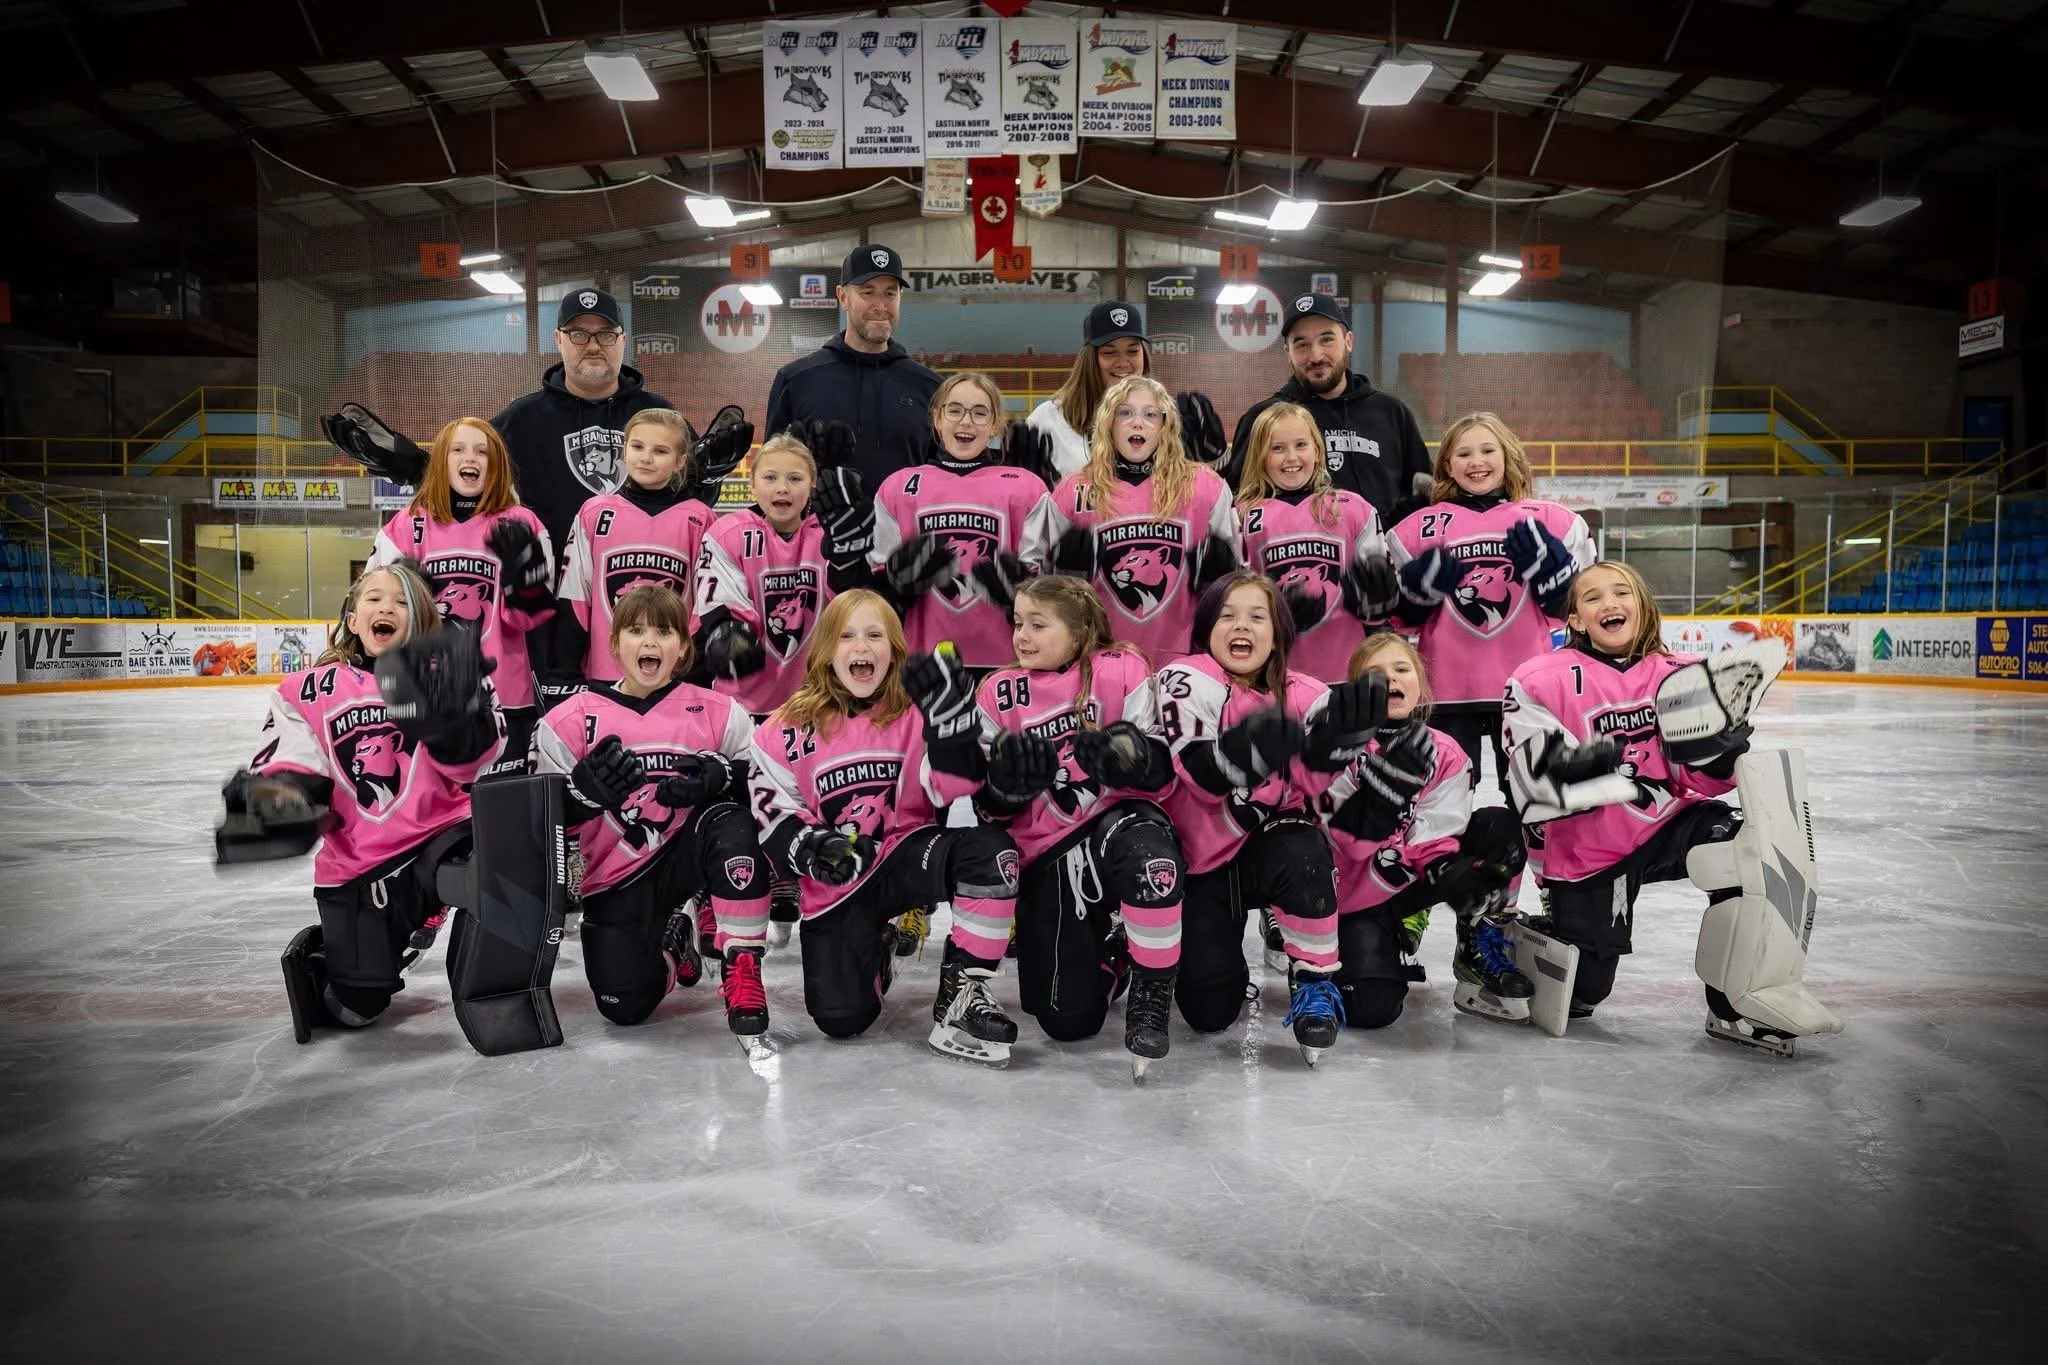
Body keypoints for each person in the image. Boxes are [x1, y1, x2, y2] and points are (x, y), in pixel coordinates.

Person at [223, 560, 504, 1037]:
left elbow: (476, 765)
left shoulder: (446, 674)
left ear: (421, 622)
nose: (387, 607)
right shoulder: (307, 690)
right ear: (353, 619)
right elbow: (294, 764)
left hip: (441, 837)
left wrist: (457, 722)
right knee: (356, 1009)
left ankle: (453, 933)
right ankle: (328, 957)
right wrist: (278, 798)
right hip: (358, 866)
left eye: (402, 603)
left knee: (489, 865)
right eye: (374, 599)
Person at [748, 591, 1025, 1066]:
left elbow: (953, 786)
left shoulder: (918, 710)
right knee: (841, 1018)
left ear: (895, 648)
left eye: (875, 635)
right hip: (836, 886)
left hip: (904, 856)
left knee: (989, 851)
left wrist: (950, 730)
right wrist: (812, 846)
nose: (861, 647)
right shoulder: (784, 726)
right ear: (825, 651)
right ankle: (875, 949)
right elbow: (771, 812)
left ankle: (965, 989)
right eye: (847, 636)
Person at [318, 287, 752, 567]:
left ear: (623, 340)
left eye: (605, 333)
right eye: (579, 334)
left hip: (644, 589)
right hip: (543, 597)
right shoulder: (519, 419)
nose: (593, 344)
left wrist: (706, 476)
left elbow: (693, 503)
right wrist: (411, 467)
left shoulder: (661, 416)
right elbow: (465, 487)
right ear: (559, 341)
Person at [1501, 562, 1748, 1026]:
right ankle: (1535, 932)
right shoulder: (1537, 679)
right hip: (1590, 846)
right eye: (1592, 598)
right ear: (1574, 619)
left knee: (1742, 847)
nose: (1609, 603)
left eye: (1622, 593)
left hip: (1670, 824)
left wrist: (1715, 759)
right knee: (1584, 996)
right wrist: (1593, 770)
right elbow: (1540, 785)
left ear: (1641, 606)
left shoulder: (1684, 674)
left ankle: (1736, 997)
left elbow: (1701, 781)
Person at [531, 585, 772, 1050]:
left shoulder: (719, 710)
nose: (650, 642)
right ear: (614, 643)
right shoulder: (569, 720)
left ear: (683, 647)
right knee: (623, 1006)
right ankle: (674, 942)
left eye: (664, 632)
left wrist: (722, 774)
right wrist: (583, 794)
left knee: (730, 821)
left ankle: (742, 962)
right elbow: (539, 819)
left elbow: (767, 785)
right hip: (617, 875)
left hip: (690, 856)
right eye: (636, 630)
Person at [973, 575, 1182, 1078]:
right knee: (1066, 1020)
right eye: (1018, 623)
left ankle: (1152, 997)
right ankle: (1117, 958)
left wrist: (1128, 756)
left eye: (1038, 625)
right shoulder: (998, 691)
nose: (1021, 636)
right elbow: (988, 812)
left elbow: (1162, 772)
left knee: (1151, 857)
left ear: (1080, 630)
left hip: (1117, 825)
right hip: (1046, 850)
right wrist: (1005, 786)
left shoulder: (1123, 667)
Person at [1154, 571, 1366, 1067]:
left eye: (1256, 616)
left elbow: (1331, 799)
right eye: (1226, 616)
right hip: (1202, 858)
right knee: (1208, 1012)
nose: (1239, 626)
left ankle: (1313, 978)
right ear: (1205, 629)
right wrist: (1250, 752)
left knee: (1303, 844)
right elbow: (1202, 777)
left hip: (1270, 847)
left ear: (1279, 632)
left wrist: (1339, 751)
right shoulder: (1185, 678)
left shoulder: (1310, 693)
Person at [1310, 632, 1529, 1031]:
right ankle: (1328, 946)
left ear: (1421, 684)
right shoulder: (1336, 746)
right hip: (1353, 893)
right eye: (1374, 673)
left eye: (1401, 669)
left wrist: (1449, 873)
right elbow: (1339, 836)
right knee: (1372, 1010)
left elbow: (1436, 831)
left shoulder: (1444, 751)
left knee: (1499, 824)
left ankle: (1478, 941)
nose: (1391, 679)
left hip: (1406, 880)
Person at [1384, 411, 1593, 810]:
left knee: (1535, 803)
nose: (1475, 461)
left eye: (1486, 450)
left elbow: (1574, 610)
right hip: (1444, 689)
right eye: (1463, 453)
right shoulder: (1418, 527)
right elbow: (1397, 619)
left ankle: (1534, 873)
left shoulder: (1549, 519)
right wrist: (1414, 593)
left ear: (1507, 455)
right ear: (1447, 464)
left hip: (1525, 688)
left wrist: (1555, 579)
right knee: (1442, 800)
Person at [366, 417, 553, 767]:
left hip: (506, 697)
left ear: (495, 465)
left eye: (482, 451)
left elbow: (533, 616)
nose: (471, 458)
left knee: (500, 814)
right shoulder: (408, 523)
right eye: (458, 449)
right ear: (441, 461)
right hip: (425, 696)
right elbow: (374, 607)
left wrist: (524, 582)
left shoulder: (522, 522)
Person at [1043, 374, 1240, 667]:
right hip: (1097, 663)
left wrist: (1218, 584)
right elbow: (1043, 592)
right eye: (1125, 412)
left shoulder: (1205, 487)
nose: (1138, 422)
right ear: (1108, 422)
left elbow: (1238, 581)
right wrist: (1064, 580)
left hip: (1187, 663)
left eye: (1150, 414)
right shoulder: (1071, 492)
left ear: (1166, 425)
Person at [869, 371, 1054, 667]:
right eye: (954, 410)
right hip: (921, 664)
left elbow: (1047, 580)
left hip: (1007, 662)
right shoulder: (899, 487)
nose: (965, 421)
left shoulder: (1026, 487)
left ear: (995, 425)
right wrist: (895, 586)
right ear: (937, 419)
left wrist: (1023, 589)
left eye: (980, 413)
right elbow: (877, 587)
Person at [1222, 293, 1432, 523]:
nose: (1315, 355)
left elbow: (1427, 491)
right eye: (1301, 344)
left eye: (1326, 339)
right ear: (1288, 353)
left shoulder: (1392, 413)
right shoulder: (1263, 419)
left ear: (1348, 341)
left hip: (1386, 556)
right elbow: (1234, 503)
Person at [1234, 401, 1398, 682]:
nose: (1291, 457)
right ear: (1260, 456)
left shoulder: (1352, 508)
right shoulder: (1243, 515)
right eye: (1278, 448)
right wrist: (1274, 615)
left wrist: (1375, 602)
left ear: (1318, 450)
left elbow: (1377, 600)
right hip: (1273, 677)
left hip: (1346, 672)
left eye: (1301, 445)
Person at [553, 408, 717, 690]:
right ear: (623, 451)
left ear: (680, 461)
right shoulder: (595, 512)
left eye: (661, 451)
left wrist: (692, 668)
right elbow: (575, 595)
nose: (646, 457)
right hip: (607, 673)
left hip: (674, 676)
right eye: (637, 446)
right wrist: (565, 670)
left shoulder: (699, 517)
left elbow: (705, 602)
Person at [765, 244, 941, 491]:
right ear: (843, 297)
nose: (880, 306)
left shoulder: (930, 386)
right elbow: (771, 477)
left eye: (890, 293)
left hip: (906, 530)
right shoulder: (796, 380)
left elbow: (947, 481)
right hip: (822, 529)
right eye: (868, 292)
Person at [1026, 300, 1229, 481]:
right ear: (1090, 359)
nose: (1123, 363)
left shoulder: (1167, 417)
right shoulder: (1049, 419)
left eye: (1133, 351)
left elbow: (1205, 500)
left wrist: (1214, 462)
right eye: (1109, 352)